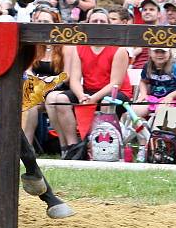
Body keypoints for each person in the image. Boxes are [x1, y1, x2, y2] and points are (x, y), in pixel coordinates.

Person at [44, 9, 132, 158]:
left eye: (102, 21)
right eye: (94, 21)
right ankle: (73, 148)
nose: (98, 24)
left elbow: (115, 83)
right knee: (60, 99)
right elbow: (75, 79)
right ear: (88, 24)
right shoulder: (81, 47)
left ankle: (103, 148)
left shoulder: (119, 50)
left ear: (109, 25)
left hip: (116, 92)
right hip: (89, 91)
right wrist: (80, 95)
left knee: (106, 101)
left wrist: (94, 98)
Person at [22, 8, 68, 146]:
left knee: (52, 100)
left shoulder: (64, 47)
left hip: (58, 88)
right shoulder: (34, 46)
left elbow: (66, 76)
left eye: (46, 21)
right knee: (29, 105)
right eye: (39, 21)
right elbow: (28, 70)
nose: (42, 24)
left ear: (55, 24)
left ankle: (63, 144)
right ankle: (26, 148)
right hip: (37, 89)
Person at [133, 47, 176, 121]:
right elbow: (143, 81)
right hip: (154, 98)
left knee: (161, 111)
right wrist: (143, 94)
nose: (160, 55)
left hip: (174, 99)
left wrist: (171, 96)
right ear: (150, 52)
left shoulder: (174, 67)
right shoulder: (148, 66)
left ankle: (158, 131)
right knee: (136, 110)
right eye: (156, 52)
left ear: (169, 52)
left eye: (163, 52)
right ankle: (142, 130)